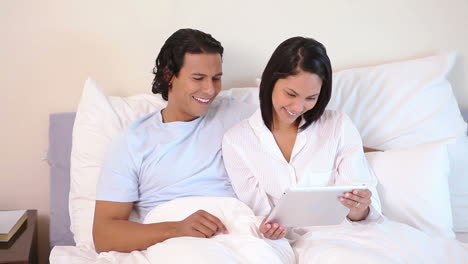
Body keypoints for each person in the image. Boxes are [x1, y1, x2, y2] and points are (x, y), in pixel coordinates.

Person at [92, 28, 258, 253]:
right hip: (178, 244)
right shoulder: (133, 142)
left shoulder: (242, 117)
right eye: (198, 78)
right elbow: (104, 235)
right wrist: (177, 229)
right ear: (168, 75)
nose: (210, 90)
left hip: (239, 234)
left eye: (216, 79)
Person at [222, 36, 382, 241]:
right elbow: (258, 213)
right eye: (290, 94)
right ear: (270, 82)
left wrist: (359, 208)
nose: (298, 108)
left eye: (310, 98)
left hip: (340, 238)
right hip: (278, 244)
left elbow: (363, 207)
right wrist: (267, 227)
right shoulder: (237, 141)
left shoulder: (338, 125)